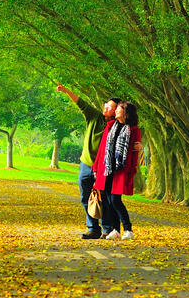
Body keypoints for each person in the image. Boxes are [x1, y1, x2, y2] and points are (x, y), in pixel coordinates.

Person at [56, 84, 120, 239]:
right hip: (86, 163)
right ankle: (93, 228)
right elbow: (80, 102)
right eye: (106, 104)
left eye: (110, 107)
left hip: (104, 166)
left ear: (117, 111)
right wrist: (66, 91)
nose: (105, 107)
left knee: (103, 197)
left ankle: (107, 229)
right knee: (86, 197)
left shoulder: (118, 127)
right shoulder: (94, 117)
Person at [93, 101, 141, 240]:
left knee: (115, 200)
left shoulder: (133, 130)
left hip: (121, 169)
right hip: (107, 169)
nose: (116, 111)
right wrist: (96, 167)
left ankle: (128, 229)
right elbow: (102, 149)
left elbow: (135, 152)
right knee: (108, 200)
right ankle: (116, 230)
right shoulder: (111, 126)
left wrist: (132, 169)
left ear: (125, 112)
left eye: (119, 109)